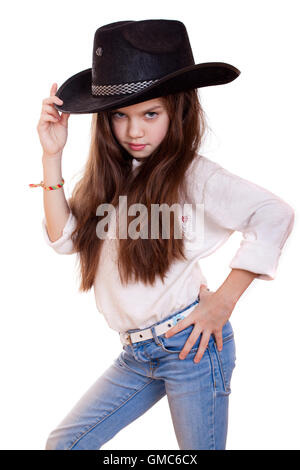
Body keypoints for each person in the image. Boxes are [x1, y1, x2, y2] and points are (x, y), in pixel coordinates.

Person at [33, 20, 294, 450]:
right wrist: (51, 156)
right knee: (64, 444)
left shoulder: (194, 175)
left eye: (150, 114)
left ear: (178, 110)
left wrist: (222, 304)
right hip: (136, 356)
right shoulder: (109, 178)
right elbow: (65, 239)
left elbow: (273, 214)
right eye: (121, 115)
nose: (134, 132)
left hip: (190, 344)